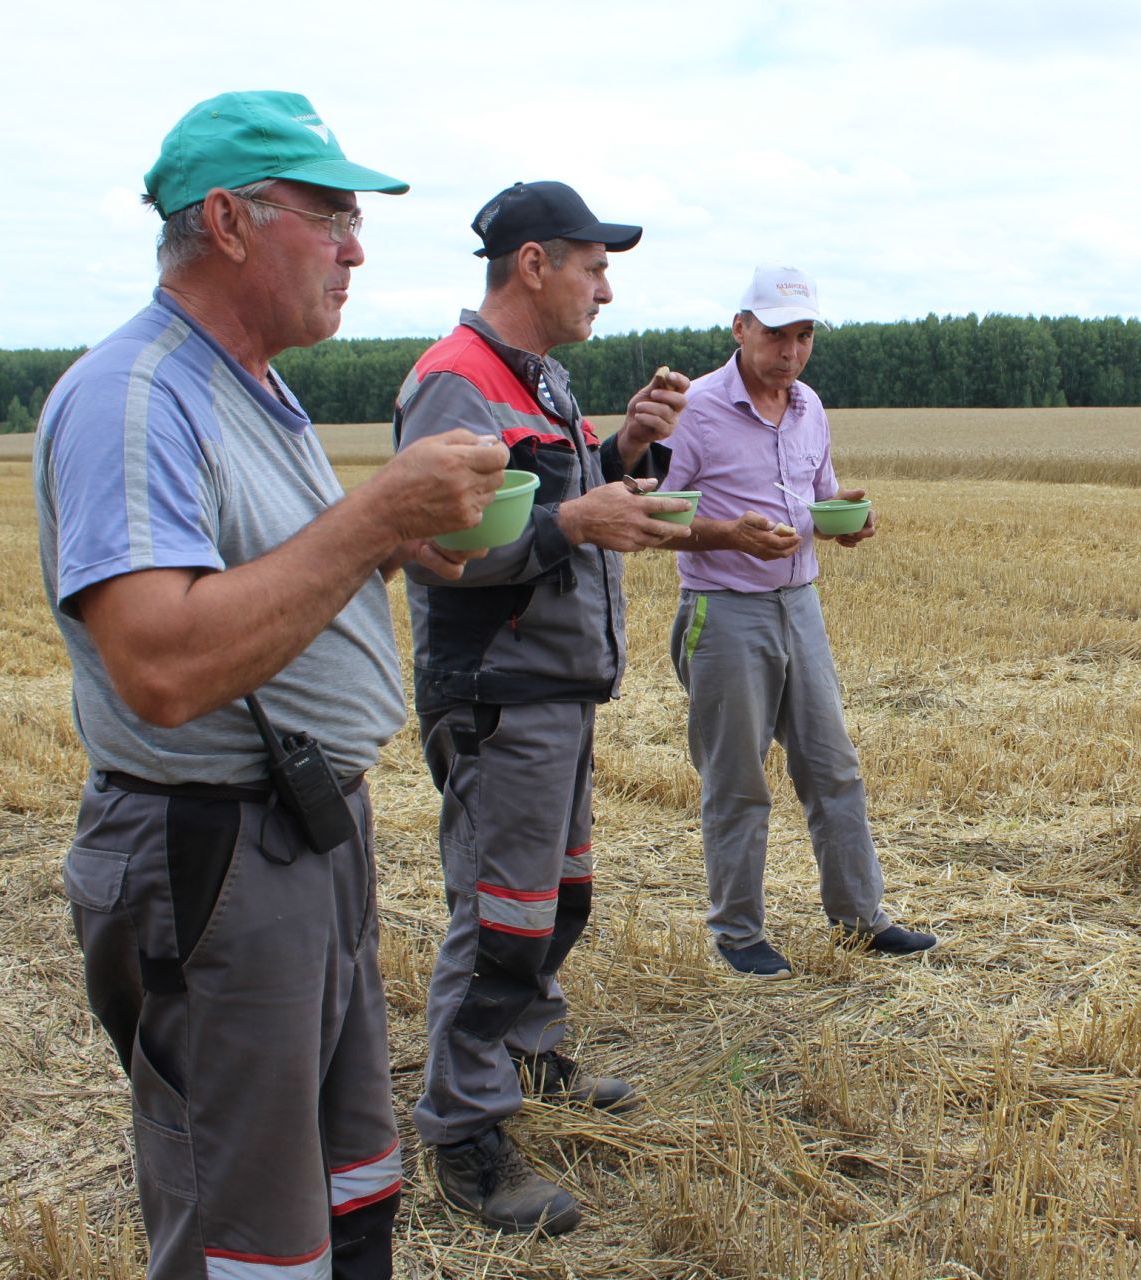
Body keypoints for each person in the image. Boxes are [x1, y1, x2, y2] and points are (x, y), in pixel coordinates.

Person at [36, 91, 505, 1280]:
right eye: (332, 213)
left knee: (347, 1197)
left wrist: (393, 539)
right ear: (231, 222)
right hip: (218, 857)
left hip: (301, 838)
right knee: (247, 1236)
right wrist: (374, 516)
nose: (357, 247)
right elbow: (162, 662)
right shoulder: (135, 396)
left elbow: (262, 575)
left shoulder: (249, 381)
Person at [393, 180, 691, 1236]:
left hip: (557, 688)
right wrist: (577, 516)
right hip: (499, 693)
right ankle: (464, 1128)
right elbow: (440, 549)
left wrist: (626, 453)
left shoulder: (544, 381)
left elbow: (561, 504)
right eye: (593, 264)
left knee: (558, 902)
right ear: (534, 264)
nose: (604, 287)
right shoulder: (454, 384)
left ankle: (530, 1050)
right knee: (501, 920)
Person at [658, 265, 938, 978]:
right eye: (777, 334)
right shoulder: (695, 408)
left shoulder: (810, 405)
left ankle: (860, 919)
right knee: (737, 779)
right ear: (740, 328)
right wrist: (731, 536)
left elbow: (817, 494)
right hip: (723, 611)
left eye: (804, 335)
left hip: (800, 604)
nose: (791, 351)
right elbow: (652, 521)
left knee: (833, 767)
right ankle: (738, 932)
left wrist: (845, 518)